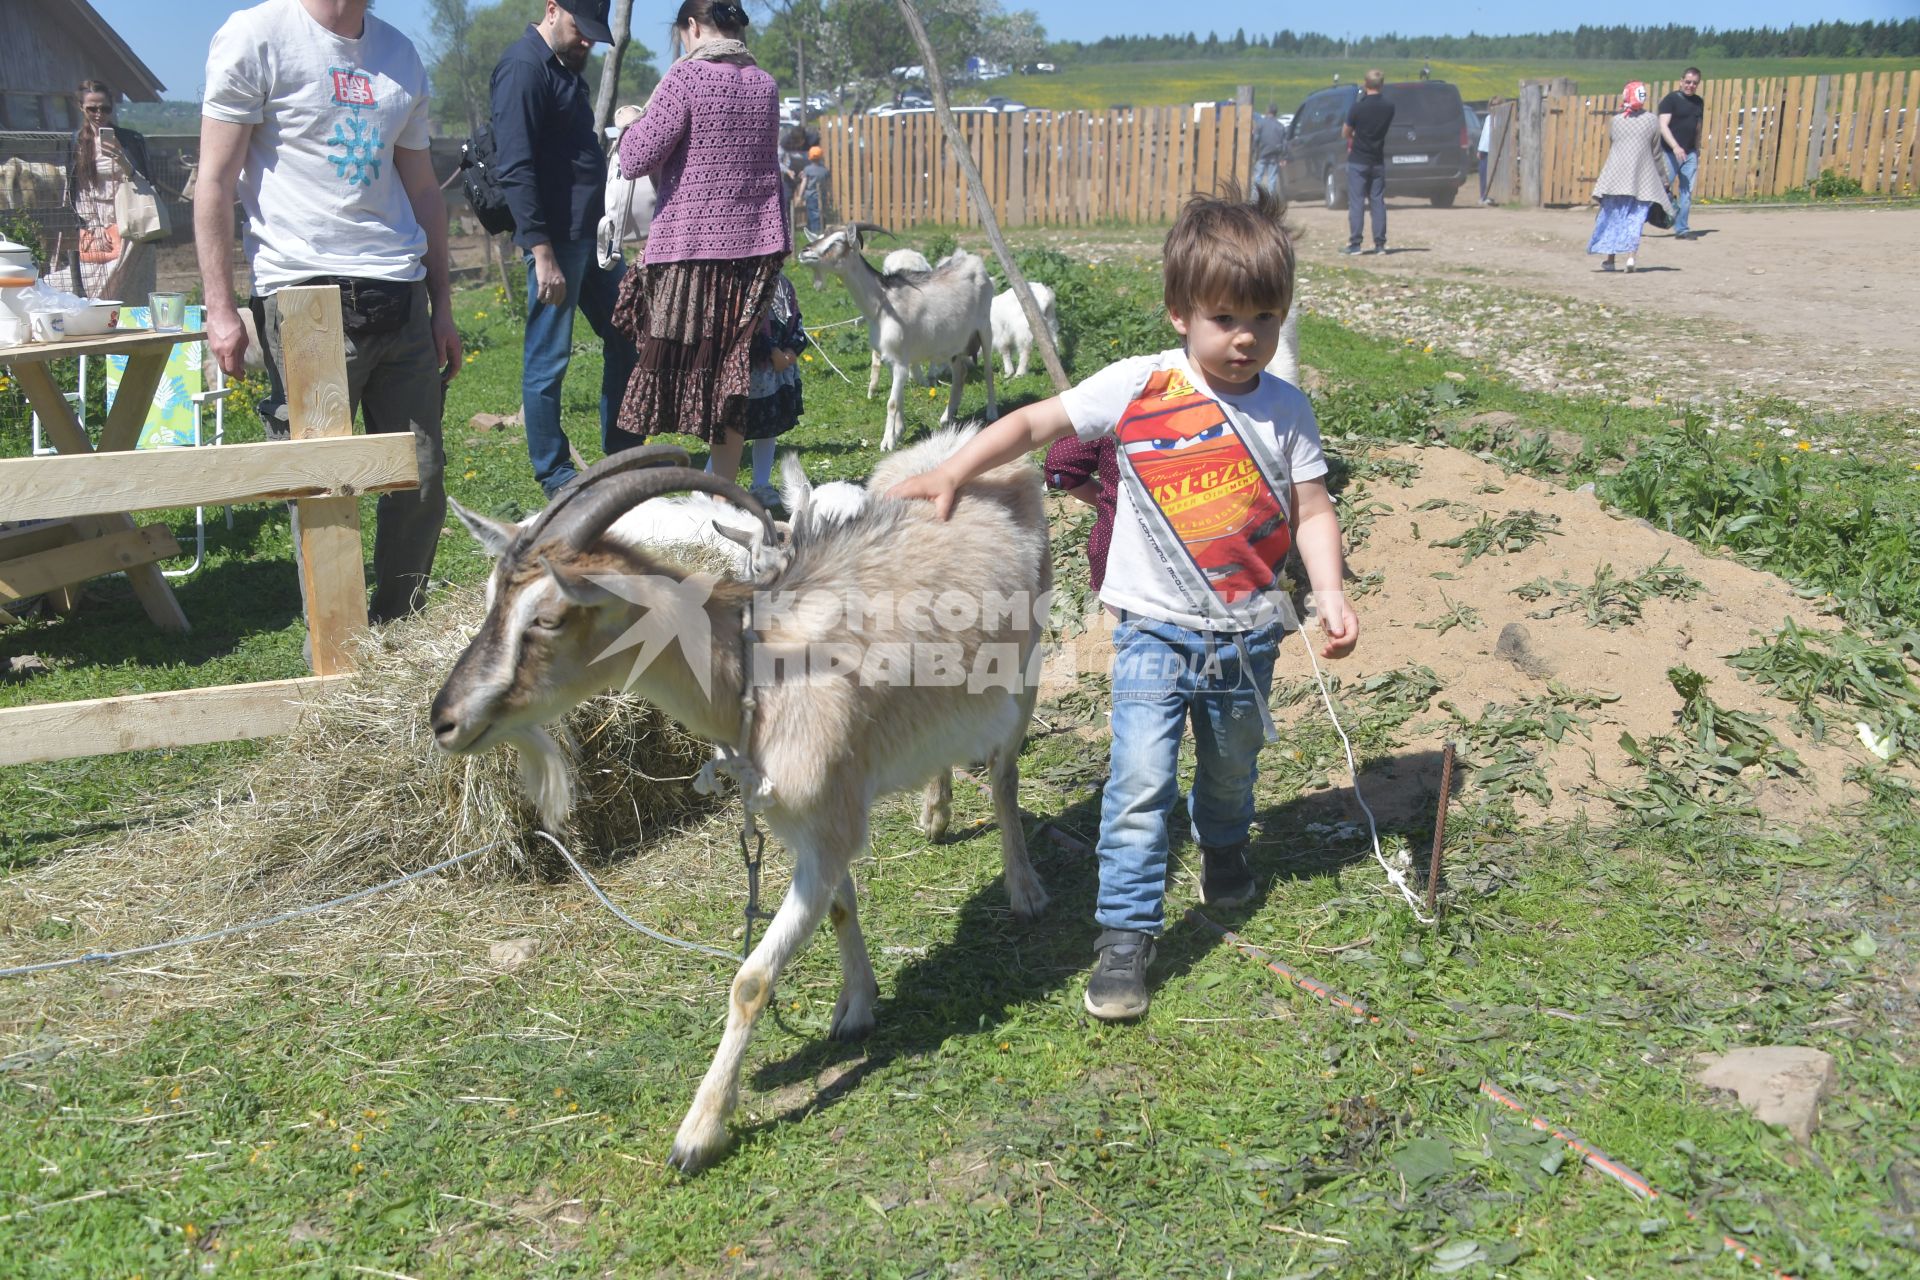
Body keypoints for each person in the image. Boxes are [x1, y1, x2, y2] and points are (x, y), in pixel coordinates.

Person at [890, 186, 1360, 1021]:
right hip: (1151, 631)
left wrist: (1326, 592)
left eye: (1265, 318)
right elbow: (1036, 422)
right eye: (1224, 318)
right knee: (1141, 779)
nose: (1246, 337)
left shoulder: (1288, 411)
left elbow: (1315, 509)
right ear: (1180, 313)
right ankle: (1124, 938)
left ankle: (1222, 847)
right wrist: (955, 471)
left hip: (1250, 637)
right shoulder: (1141, 385)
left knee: (1228, 767)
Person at [196, 0, 462, 624]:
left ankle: (399, 630)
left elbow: (423, 189)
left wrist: (443, 304)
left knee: (420, 476)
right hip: (305, 294)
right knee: (321, 483)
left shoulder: (399, 53)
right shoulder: (257, 36)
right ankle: (338, 645)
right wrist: (220, 307)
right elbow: (214, 180)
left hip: (401, 288)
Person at [610, 0, 786, 488]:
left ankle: (632, 489)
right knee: (729, 380)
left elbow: (637, 158)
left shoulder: (685, 79)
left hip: (689, 254)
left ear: (691, 26)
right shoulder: (764, 84)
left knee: (663, 369)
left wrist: (629, 124)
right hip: (751, 256)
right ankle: (721, 500)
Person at [491, 0, 642, 497]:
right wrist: (541, 252)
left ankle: (622, 456)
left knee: (628, 330)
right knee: (548, 359)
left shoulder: (562, 68)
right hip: (555, 242)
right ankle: (556, 474)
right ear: (552, 9)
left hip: (591, 238)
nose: (588, 41)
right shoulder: (523, 67)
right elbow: (515, 166)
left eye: (596, 33)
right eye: (582, 29)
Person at [66, 81, 159, 303]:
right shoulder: (76, 142)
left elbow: (146, 184)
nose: (99, 114)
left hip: (130, 222)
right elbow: (79, 189)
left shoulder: (130, 140)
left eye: (105, 108)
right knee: (96, 289)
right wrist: (92, 225)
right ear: (81, 108)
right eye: (92, 108)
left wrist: (122, 160)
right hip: (97, 224)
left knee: (133, 290)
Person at [1587, 82, 1674, 274]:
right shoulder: (1651, 120)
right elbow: (1656, 153)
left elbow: (1614, 143)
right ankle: (1631, 257)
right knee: (1635, 218)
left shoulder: (1616, 121)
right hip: (1641, 178)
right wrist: (1663, 178)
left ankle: (1610, 260)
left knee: (1614, 216)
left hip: (1615, 177)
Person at [737, 272, 807, 506]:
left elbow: (795, 320)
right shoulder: (743, 283)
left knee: (768, 430)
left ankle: (761, 484)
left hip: (775, 376)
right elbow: (746, 326)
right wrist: (770, 351)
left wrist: (790, 352)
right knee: (731, 430)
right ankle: (709, 485)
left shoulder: (783, 285)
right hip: (748, 373)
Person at [1342, 70, 1394, 256]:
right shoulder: (1389, 107)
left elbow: (1345, 132)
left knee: (1357, 202)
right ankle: (1380, 244)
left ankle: (1356, 243)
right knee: (1377, 201)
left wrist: (1356, 135)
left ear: (1365, 84)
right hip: (1377, 160)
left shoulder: (1357, 107)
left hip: (1358, 159)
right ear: (1382, 84)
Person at [1658, 67, 1705, 239]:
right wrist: (1676, 147)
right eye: (1688, 82)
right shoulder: (1670, 100)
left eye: (1694, 83)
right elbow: (1663, 125)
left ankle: (1682, 228)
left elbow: (1698, 126)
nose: (1690, 85)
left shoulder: (1699, 102)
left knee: (1687, 191)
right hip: (1670, 153)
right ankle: (1639, 221)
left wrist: (1697, 147)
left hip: (1690, 153)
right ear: (1681, 81)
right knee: (1661, 188)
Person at [1251, 104, 1286, 200]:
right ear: (1276, 113)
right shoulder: (1280, 126)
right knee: (1272, 179)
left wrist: (1254, 152)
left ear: (1267, 111)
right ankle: (1270, 200)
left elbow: (1256, 139)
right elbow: (1284, 143)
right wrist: (1283, 157)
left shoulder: (1261, 124)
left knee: (1258, 177)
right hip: (1274, 155)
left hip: (1262, 154)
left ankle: (1254, 199)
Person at [794, 145, 830, 236]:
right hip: (822, 196)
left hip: (811, 196)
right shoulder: (825, 170)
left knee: (813, 216)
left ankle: (815, 235)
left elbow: (804, 183)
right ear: (821, 157)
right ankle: (821, 233)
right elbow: (827, 185)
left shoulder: (807, 170)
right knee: (822, 215)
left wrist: (799, 196)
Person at [1476, 96, 1503, 206]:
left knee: (1493, 175)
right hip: (1484, 150)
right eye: (1492, 105)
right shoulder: (1488, 118)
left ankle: (1491, 196)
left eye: (1496, 105)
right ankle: (1483, 196)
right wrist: (1479, 149)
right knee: (1483, 173)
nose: (1494, 107)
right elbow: (1484, 135)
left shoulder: (1501, 118)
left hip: (1494, 150)